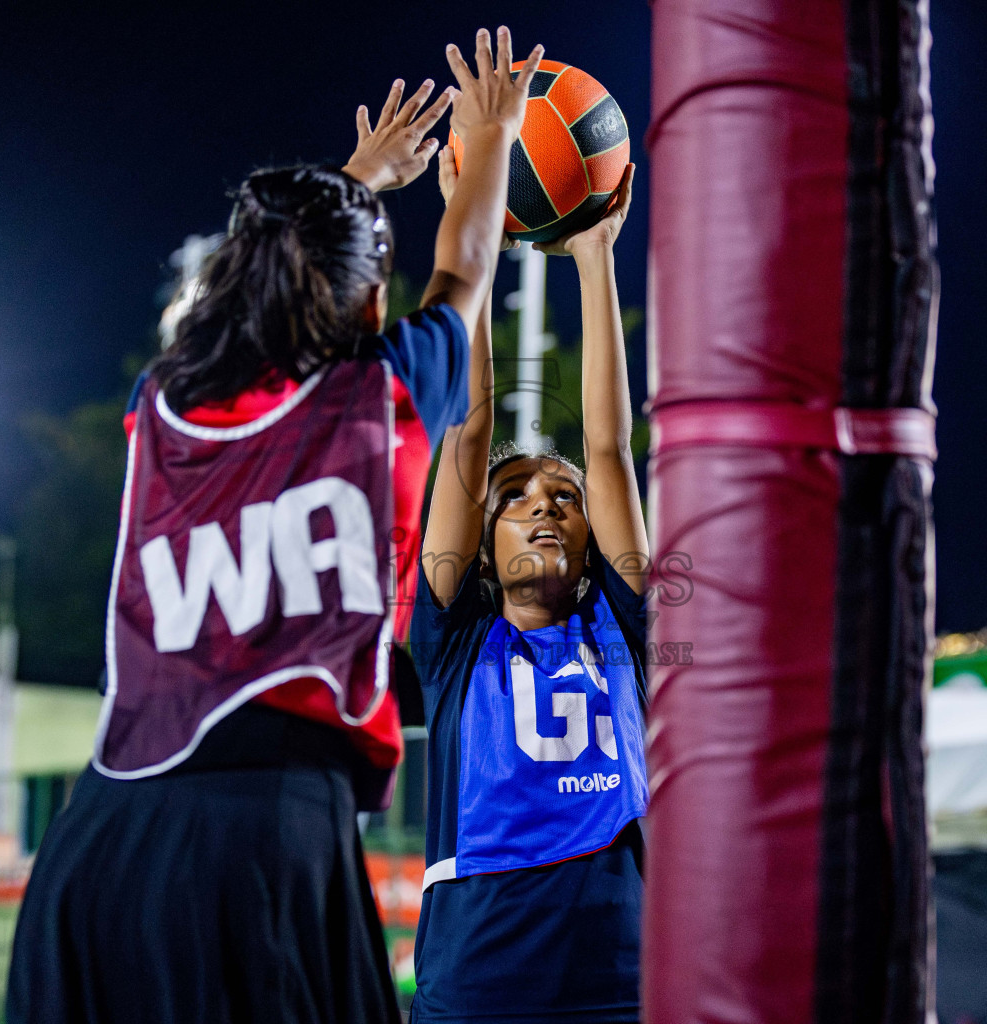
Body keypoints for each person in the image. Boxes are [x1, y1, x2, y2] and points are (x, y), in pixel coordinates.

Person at [5, 28, 543, 1024]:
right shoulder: (383, 393)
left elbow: (246, 290)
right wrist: (495, 135)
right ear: (371, 299)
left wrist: (352, 181)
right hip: (267, 839)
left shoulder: (158, 404)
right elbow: (464, 271)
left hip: (99, 837)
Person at [410, 144, 647, 1022]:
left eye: (564, 500)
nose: (546, 508)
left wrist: (595, 259)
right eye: (516, 500)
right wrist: (469, 212)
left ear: (591, 540)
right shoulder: (454, 638)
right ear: (479, 547)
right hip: (482, 956)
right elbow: (468, 434)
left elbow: (611, 453)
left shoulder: (623, 633)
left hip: (618, 959)